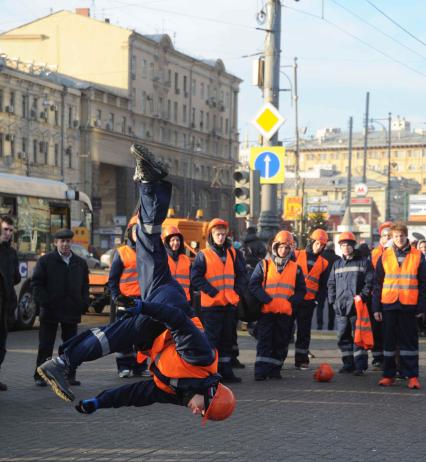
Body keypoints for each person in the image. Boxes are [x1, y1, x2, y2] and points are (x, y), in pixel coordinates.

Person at [37, 143, 236, 423]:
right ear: (212, 393)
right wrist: (144, 307)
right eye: (202, 409)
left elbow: (137, 395)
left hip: (160, 306)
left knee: (148, 239)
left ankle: (147, 181)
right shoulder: (200, 359)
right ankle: (62, 363)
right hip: (169, 308)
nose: (195, 411)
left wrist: (99, 402)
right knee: (120, 333)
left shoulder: (178, 391)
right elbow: (178, 321)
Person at [191, 218, 248, 383]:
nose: (221, 237)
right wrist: (213, 292)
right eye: (218, 234)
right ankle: (211, 373)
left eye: (223, 234)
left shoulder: (233, 253)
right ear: (211, 235)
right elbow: (195, 278)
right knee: (212, 341)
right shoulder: (203, 255)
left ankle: (226, 371)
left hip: (229, 305)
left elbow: (242, 275)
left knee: (227, 341)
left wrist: (236, 293)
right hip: (211, 307)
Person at [32, 228, 89, 387]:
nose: (65, 244)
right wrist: (45, 302)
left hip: (71, 310)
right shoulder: (45, 261)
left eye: (68, 241)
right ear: (55, 243)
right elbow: (37, 284)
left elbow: (85, 285)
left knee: (70, 345)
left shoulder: (80, 263)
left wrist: (83, 303)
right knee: (45, 345)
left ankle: (68, 375)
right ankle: (40, 375)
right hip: (50, 310)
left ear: (72, 242)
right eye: (61, 241)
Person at [372, 222, 426, 389]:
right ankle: (388, 375)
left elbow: (424, 284)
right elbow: (377, 284)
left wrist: (421, 307)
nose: (399, 239)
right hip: (388, 304)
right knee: (388, 342)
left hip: (409, 305)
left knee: (409, 343)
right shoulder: (385, 255)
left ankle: (412, 376)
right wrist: (376, 308)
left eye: (402, 236)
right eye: (396, 236)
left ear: (406, 236)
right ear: (392, 238)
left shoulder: (418, 255)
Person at [249, 230, 306, 380]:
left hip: (285, 313)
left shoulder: (296, 268)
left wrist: (292, 302)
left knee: (281, 343)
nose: (283, 250)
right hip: (267, 312)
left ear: (291, 249)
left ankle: (275, 370)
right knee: (264, 342)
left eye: (287, 248)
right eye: (281, 247)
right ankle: (260, 372)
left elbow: (301, 290)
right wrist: (266, 299)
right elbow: (253, 285)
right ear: (275, 247)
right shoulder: (264, 265)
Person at [327, 231, 374, 375]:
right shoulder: (337, 264)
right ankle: (348, 364)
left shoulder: (364, 262)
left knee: (358, 337)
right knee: (343, 337)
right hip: (341, 307)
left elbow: (369, 282)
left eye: (348, 245)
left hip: (357, 307)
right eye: (343, 245)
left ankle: (360, 366)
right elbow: (331, 284)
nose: (346, 247)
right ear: (340, 247)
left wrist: (362, 297)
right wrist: (333, 301)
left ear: (353, 246)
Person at [108, 216, 149, 378]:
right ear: (130, 232)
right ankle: (124, 367)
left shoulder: (147, 252)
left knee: (143, 335)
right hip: (126, 301)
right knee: (124, 335)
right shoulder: (121, 252)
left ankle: (140, 366)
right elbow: (113, 279)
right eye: (135, 230)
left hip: (143, 301)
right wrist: (117, 297)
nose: (137, 233)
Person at [293, 229, 329, 369]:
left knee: (304, 332)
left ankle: (301, 360)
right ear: (312, 241)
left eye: (322, 245)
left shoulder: (323, 263)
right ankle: (278, 359)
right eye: (318, 243)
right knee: (286, 330)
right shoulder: (296, 255)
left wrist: (317, 301)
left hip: (308, 301)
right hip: (293, 299)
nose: (319, 247)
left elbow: (323, 285)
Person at [0, 215, 21, 391]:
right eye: (5, 229)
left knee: (1, 346)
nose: (8, 233)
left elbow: (15, 277)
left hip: (6, 306)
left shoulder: (11, 252)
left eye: (10, 230)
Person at [162, 225, 192, 303]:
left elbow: (192, 283)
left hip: (184, 300)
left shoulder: (186, 260)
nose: (176, 243)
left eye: (178, 240)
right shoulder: (162, 259)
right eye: (173, 240)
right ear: (167, 242)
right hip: (167, 299)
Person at [317, 241, 338, 330]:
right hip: (333, 286)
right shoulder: (338, 258)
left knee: (320, 306)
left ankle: (319, 324)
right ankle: (331, 326)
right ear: (333, 248)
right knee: (331, 307)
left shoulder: (320, 257)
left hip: (321, 285)